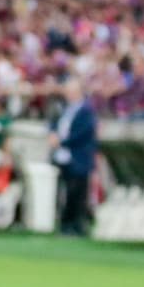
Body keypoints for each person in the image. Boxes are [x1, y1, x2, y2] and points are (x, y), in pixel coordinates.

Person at [51, 79, 98, 237]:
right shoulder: (65, 109)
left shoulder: (86, 110)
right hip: (63, 157)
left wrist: (62, 141)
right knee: (65, 191)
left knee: (78, 192)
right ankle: (65, 223)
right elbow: (54, 123)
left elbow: (84, 133)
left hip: (78, 156)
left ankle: (77, 225)